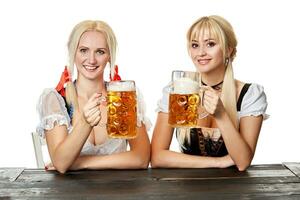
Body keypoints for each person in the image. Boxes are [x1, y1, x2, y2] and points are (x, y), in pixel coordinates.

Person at [151, 15, 268, 171]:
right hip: (186, 188)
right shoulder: (177, 91)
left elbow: (242, 162)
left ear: (228, 50)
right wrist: (218, 162)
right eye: (194, 45)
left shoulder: (249, 94)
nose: (201, 52)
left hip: (234, 190)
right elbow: (157, 157)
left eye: (210, 44)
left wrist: (221, 115)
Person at [36, 20, 151, 173]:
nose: (91, 60)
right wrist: (85, 123)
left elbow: (141, 158)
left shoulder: (124, 96)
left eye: (100, 52)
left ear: (109, 56)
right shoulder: (56, 99)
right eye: (83, 50)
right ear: (73, 52)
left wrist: (81, 162)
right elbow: (62, 163)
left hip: (120, 191)